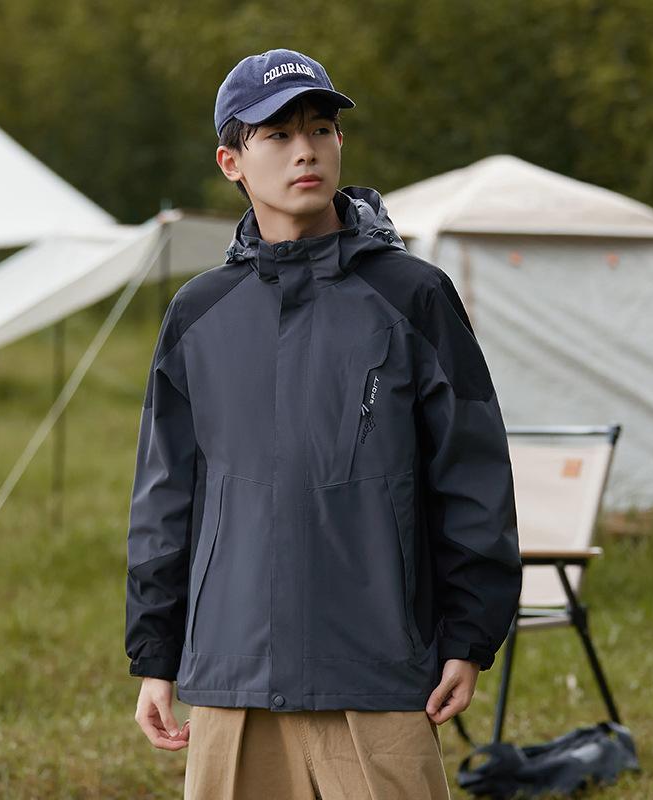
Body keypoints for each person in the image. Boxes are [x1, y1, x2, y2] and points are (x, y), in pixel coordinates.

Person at [125, 48, 522, 799]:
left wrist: (470, 636)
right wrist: (156, 653)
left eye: (319, 129)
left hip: (379, 669)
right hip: (233, 671)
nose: (304, 150)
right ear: (231, 162)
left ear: (340, 142)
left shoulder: (414, 297)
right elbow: (165, 496)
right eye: (277, 135)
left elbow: (472, 474)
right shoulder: (198, 314)